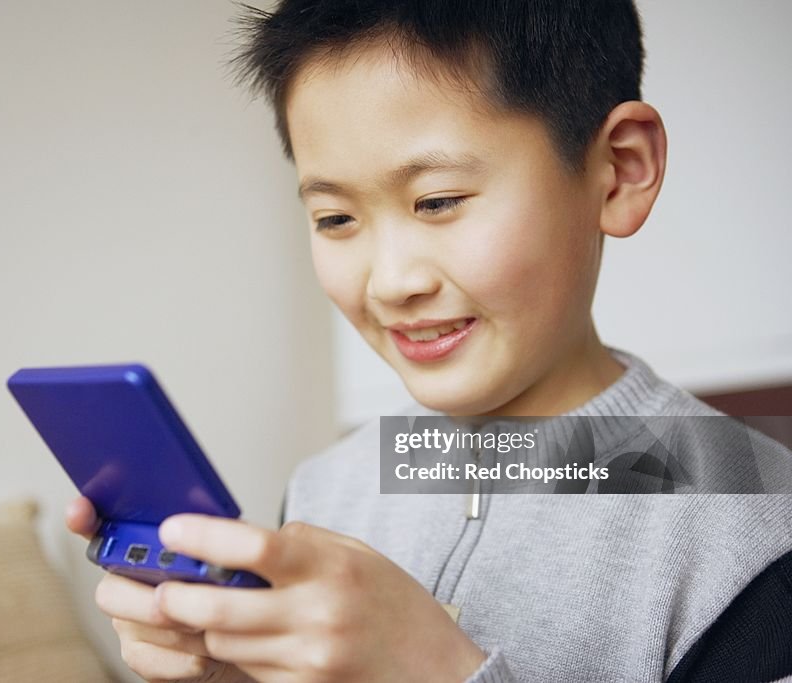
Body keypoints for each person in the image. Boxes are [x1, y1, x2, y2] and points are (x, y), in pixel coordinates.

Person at [66, 1, 792, 680]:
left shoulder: (757, 532)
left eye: (437, 201)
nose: (389, 282)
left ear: (620, 168)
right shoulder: (328, 489)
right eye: (335, 219)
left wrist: (439, 666)